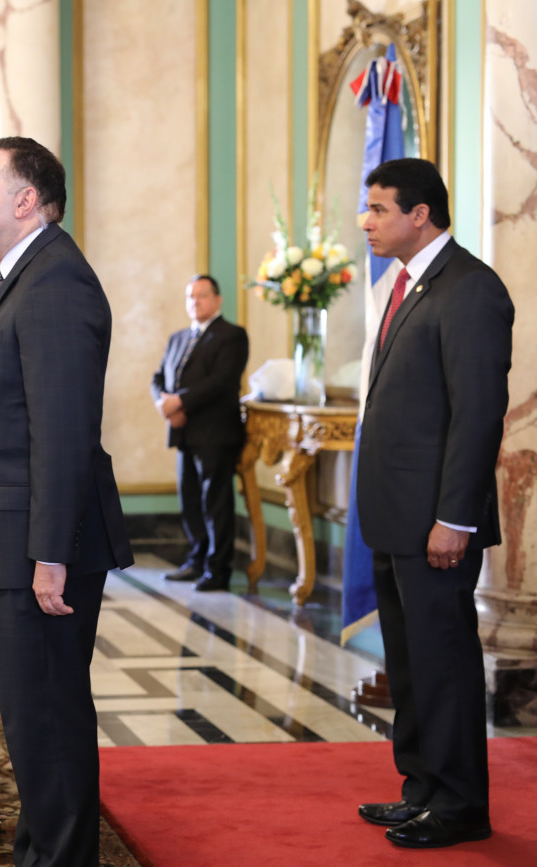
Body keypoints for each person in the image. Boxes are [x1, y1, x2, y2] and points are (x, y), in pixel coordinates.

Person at [0, 137, 133, 867]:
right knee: (31, 719)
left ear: (26, 200)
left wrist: (50, 553)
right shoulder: (21, 275)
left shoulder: (56, 282)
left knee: (47, 720)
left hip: (39, 547)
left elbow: (63, 432)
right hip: (15, 540)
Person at [354, 158, 512, 849]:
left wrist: (455, 518)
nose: (366, 221)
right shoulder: (407, 283)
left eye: (379, 209)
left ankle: (460, 804)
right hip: (396, 516)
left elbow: (477, 415)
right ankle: (421, 788)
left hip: (435, 522)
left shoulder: (470, 288)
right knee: (411, 662)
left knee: (443, 661)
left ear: (420, 214)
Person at [151, 274, 249, 592]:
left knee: (215, 503)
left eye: (202, 295)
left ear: (217, 300)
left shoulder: (232, 335)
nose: (195, 302)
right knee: (190, 500)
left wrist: (180, 402)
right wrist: (163, 404)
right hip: (183, 432)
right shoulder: (179, 337)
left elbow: (220, 381)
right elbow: (158, 377)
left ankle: (217, 570)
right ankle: (196, 561)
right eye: (190, 297)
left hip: (216, 433)